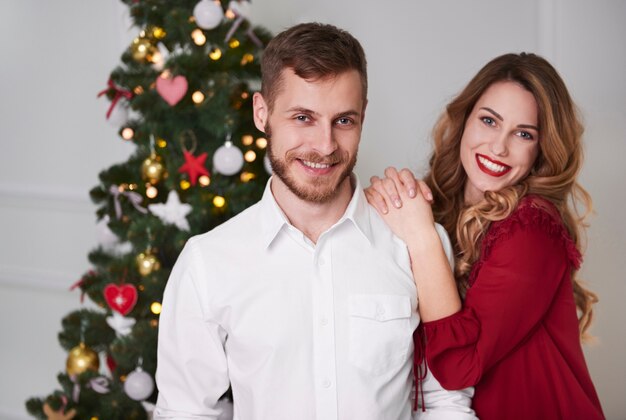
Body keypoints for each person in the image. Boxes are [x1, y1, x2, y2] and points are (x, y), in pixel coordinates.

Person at [154, 22, 476, 420]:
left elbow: (446, 402)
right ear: (262, 113)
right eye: (303, 118)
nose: (325, 146)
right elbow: (185, 413)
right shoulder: (207, 262)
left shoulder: (417, 244)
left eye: (344, 121)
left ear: (363, 117)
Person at [365, 52, 605, 419]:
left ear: (540, 149)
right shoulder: (440, 210)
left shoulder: (531, 227)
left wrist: (421, 236)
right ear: (464, 120)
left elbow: (459, 366)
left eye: (523, 133)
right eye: (489, 121)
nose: (498, 147)